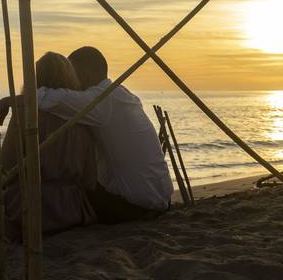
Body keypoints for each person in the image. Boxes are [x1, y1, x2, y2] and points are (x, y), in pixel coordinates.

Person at [20, 46, 172, 224]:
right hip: (161, 198)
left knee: (71, 190)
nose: (70, 79)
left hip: (136, 206)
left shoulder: (102, 100)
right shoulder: (118, 95)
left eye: (72, 72)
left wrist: (17, 100)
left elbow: (52, 99)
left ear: (85, 73)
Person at [0, 51, 97, 241]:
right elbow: (90, 181)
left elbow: (7, 167)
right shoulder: (84, 117)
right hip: (73, 212)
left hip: (31, 213)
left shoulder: (26, 115)